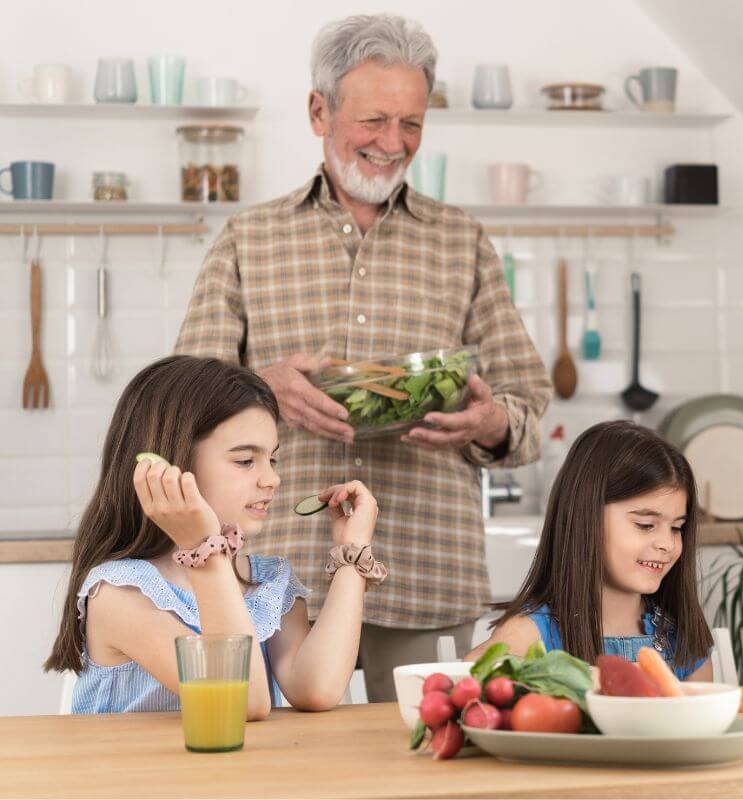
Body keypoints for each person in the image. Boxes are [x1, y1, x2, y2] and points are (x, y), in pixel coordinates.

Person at [175, 13, 551, 701]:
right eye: (374, 120)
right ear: (319, 111)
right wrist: (264, 388)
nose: (393, 143)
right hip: (268, 578)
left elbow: (528, 407)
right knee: (274, 767)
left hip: (425, 571)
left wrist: (488, 423)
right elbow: (178, 403)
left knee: (419, 759)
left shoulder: (461, 240)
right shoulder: (247, 239)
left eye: (411, 123)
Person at [44, 356, 382, 716]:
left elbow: (317, 688)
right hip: (135, 773)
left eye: (273, 460)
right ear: (171, 466)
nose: (271, 480)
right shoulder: (119, 593)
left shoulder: (268, 583)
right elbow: (239, 700)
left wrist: (352, 552)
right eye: (244, 461)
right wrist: (203, 547)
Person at [468, 421, 714, 681]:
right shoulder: (533, 633)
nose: (667, 543)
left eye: (676, 528)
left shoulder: (680, 637)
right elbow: (470, 676)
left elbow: (707, 717)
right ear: (586, 517)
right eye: (646, 525)